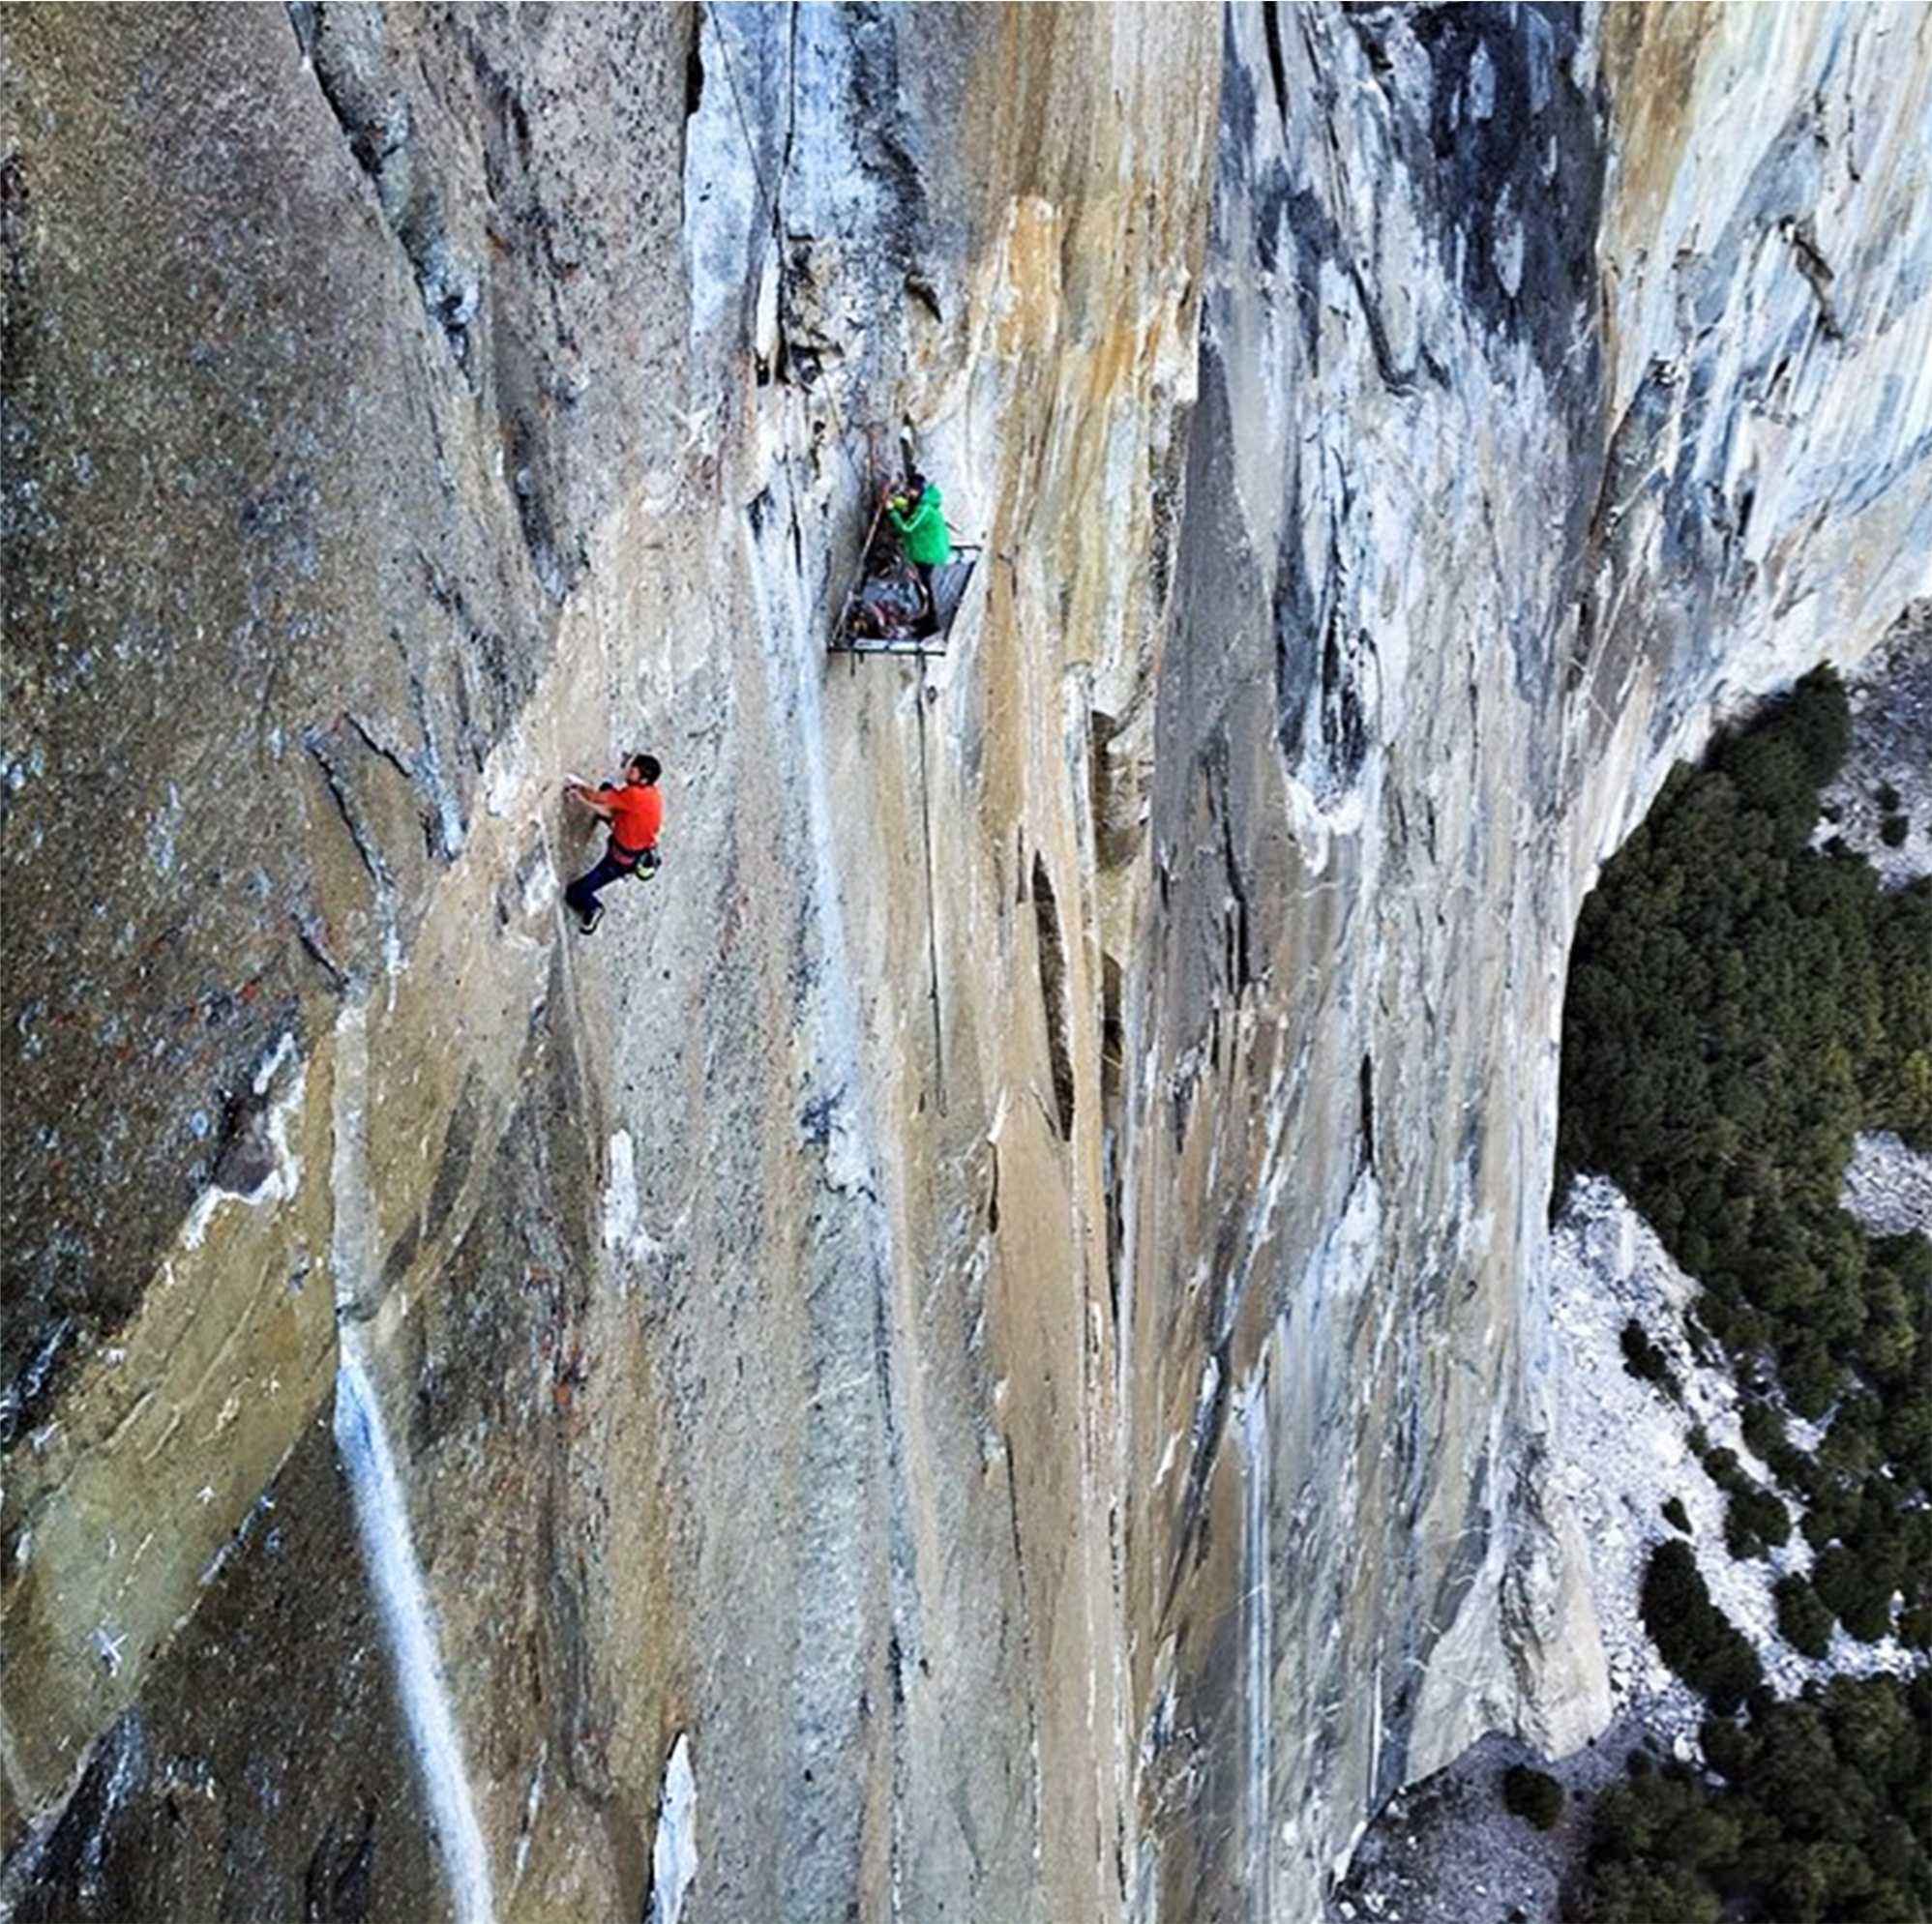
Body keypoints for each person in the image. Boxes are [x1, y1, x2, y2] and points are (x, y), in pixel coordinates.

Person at [563, 754, 662, 934]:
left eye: (633, 770)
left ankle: (593, 908)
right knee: (608, 792)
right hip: (632, 843)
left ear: (643, 779)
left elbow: (596, 797)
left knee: (574, 893)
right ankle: (603, 813)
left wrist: (578, 791)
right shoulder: (651, 793)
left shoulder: (634, 796)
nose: (628, 770)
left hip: (620, 860)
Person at [882, 470, 950, 636]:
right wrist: (895, 502)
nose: (908, 493)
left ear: (918, 490)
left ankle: (931, 624)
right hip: (924, 550)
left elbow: (907, 528)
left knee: (924, 588)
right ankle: (925, 617)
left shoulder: (925, 509)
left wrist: (891, 511)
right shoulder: (922, 503)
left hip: (927, 553)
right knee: (921, 585)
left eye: (910, 490)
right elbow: (906, 506)